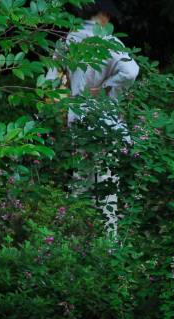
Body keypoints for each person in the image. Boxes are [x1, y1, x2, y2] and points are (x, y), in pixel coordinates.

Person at [46, 0, 139, 238]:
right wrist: (108, 86)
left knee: (81, 179)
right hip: (105, 119)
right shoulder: (109, 41)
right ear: (105, 16)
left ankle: (67, 237)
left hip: (78, 116)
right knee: (107, 181)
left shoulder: (68, 39)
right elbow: (131, 71)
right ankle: (109, 242)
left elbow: (50, 81)